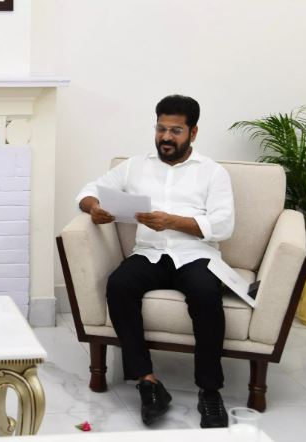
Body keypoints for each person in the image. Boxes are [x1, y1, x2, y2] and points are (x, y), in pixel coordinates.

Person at [76, 95, 234, 428]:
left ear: (193, 132)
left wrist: (173, 222)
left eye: (175, 130)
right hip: (149, 253)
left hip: (195, 255)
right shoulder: (135, 166)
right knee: (119, 285)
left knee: (206, 295)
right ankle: (148, 383)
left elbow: (223, 225)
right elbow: (91, 189)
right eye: (161, 129)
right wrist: (94, 208)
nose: (166, 137)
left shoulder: (212, 173)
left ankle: (209, 391)